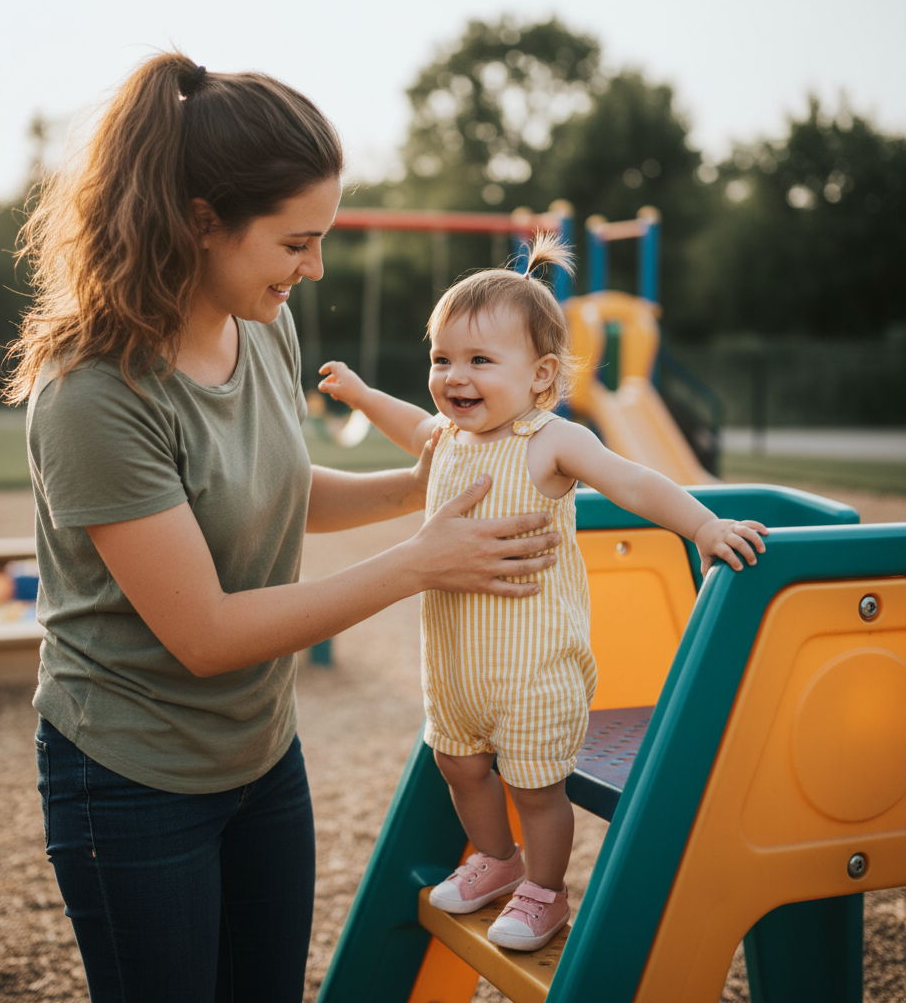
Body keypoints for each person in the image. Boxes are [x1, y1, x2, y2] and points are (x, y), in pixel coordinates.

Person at [4, 53, 564, 1003]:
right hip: (131, 777)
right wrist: (421, 561)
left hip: (261, 752)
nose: (312, 268)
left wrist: (434, 482)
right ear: (200, 224)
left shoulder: (261, 322)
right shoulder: (93, 394)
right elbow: (208, 634)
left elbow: (281, 485)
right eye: (295, 242)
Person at [317, 232, 769, 952]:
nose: (453, 376)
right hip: (459, 665)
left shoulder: (550, 442)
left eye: (478, 361)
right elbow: (412, 423)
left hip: (535, 671)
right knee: (457, 765)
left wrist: (704, 525)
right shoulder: (449, 441)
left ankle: (546, 893)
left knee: (537, 790)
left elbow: (633, 480)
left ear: (540, 376)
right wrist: (362, 393)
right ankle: (497, 862)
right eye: (441, 359)